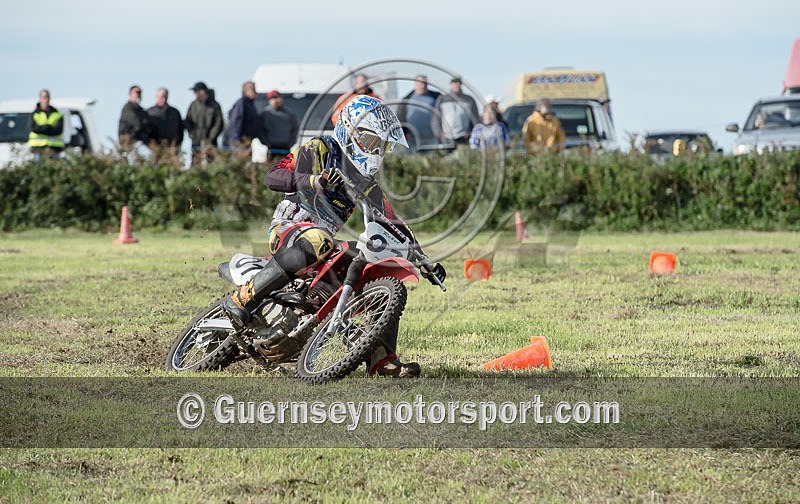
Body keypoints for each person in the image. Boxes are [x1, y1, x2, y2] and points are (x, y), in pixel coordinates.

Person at [220, 95, 446, 378]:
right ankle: (244, 298)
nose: (377, 151)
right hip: (288, 229)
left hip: (323, 243)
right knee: (321, 240)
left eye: (381, 146)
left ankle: (382, 360)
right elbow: (273, 176)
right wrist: (314, 181)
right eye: (373, 142)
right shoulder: (320, 148)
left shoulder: (367, 183)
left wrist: (423, 262)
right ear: (352, 131)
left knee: (381, 268)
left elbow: (392, 221)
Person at [431, 76, 480, 146]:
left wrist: (471, 133)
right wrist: (439, 133)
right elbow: (435, 118)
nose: (456, 85)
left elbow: (475, 119)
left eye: (458, 83)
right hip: (447, 138)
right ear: (451, 84)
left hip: (464, 138)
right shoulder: (442, 99)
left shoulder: (469, 99)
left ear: (460, 84)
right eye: (454, 83)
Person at [396, 74, 441, 149]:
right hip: (412, 139)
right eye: (420, 83)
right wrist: (404, 132)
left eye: (424, 83)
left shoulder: (436, 97)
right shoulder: (407, 99)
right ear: (415, 84)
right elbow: (400, 117)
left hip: (431, 138)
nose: (422, 86)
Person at [185, 81, 224, 164]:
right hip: (196, 141)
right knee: (195, 164)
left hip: (211, 142)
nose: (195, 94)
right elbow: (188, 121)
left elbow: (218, 123)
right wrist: (192, 134)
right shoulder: (193, 105)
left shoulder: (215, 105)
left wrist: (211, 138)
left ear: (203, 91)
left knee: (212, 164)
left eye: (197, 91)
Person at [258, 89, 299, 160]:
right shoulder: (265, 114)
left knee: (286, 170)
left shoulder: (290, 114)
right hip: (272, 148)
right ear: (269, 101)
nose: (276, 100)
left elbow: (295, 129)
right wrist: (265, 142)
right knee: (272, 169)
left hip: (286, 148)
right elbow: (260, 130)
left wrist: (292, 142)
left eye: (278, 97)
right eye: (273, 98)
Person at [146, 87, 184, 158]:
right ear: (156, 97)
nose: (162, 99)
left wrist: (178, 144)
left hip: (172, 149)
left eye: (164, 96)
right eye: (160, 97)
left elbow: (180, 130)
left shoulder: (175, 112)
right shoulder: (149, 113)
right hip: (155, 149)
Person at [28, 89, 64, 158]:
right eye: (44, 97)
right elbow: (34, 129)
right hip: (37, 148)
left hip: (54, 148)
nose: (46, 100)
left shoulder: (57, 114)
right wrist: (48, 127)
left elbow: (58, 130)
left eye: (47, 97)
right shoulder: (35, 114)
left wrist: (43, 128)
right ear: (40, 99)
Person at [226, 81, 261, 150]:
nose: (255, 92)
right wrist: (236, 138)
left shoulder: (251, 104)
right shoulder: (242, 103)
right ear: (246, 91)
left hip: (248, 141)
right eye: (253, 89)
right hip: (240, 141)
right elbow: (235, 120)